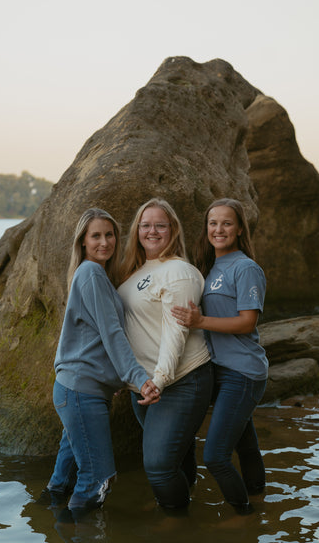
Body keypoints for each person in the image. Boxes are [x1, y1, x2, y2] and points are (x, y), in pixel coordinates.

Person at [40, 207, 159, 517]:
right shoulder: (91, 273)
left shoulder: (95, 276)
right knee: (98, 480)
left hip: (79, 391)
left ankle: (49, 526)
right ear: (83, 241)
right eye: (96, 236)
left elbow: (95, 341)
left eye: (109, 235)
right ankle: (82, 534)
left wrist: (115, 380)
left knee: (60, 484)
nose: (104, 242)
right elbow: (112, 334)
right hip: (81, 393)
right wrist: (138, 378)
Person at [171, 198, 268, 515]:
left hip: (242, 373)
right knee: (245, 443)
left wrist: (199, 322)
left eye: (227, 223)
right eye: (213, 223)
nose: (219, 229)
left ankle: (244, 516)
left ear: (240, 229)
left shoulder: (246, 268)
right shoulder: (209, 267)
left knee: (214, 456)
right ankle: (259, 501)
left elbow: (247, 321)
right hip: (216, 370)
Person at [117, 198, 213, 510]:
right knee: (179, 454)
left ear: (172, 230)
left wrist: (160, 379)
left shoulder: (179, 272)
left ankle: (176, 523)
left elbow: (177, 332)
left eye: (160, 225)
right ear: (137, 231)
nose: (152, 231)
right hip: (144, 386)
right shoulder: (133, 273)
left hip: (180, 381)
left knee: (158, 466)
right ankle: (187, 503)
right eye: (145, 225)